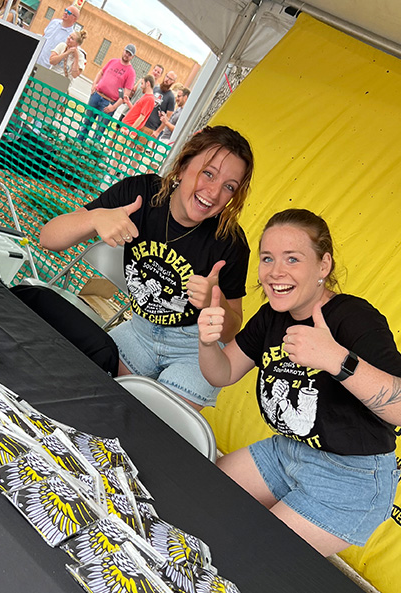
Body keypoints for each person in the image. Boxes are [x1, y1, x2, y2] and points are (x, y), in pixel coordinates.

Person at [197, 208, 401, 556]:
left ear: (323, 266)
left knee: (251, 557)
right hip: (288, 451)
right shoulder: (272, 315)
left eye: (293, 259)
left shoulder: (353, 317)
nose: (276, 272)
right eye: (267, 258)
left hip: (351, 478)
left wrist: (336, 359)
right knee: (204, 499)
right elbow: (222, 373)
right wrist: (206, 340)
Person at [40, 126, 254, 409]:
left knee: (154, 424)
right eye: (208, 173)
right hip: (139, 331)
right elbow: (48, 238)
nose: (214, 193)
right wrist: (94, 219)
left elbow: (231, 330)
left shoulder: (230, 242)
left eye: (229, 186)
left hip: (195, 349)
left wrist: (215, 304)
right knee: (93, 400)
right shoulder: (140, 194)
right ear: (182, 167)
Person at [78, 44, 137, 141]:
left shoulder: (131, 72)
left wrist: (114, 107)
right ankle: (77, 144)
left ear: (132, 57)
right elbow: (101, 72)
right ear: (123, 51)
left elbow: (125, 93)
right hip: (96, 96)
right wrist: (94, 85)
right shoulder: (113, 61)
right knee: (86, 123)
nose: (127, 55)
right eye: (126, 52)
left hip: (109, 103)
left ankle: (90, 152)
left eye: (129, 54)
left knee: (99, 130)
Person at [139, 71, 177, 136]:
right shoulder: (155, 88)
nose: (167, 79)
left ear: (173, 82)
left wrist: (157, 131)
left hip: (150, 127)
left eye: (170, 79)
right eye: (167, 76)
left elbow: (167, 117)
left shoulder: (171, 97)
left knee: (139, 146)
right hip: (140, 121)